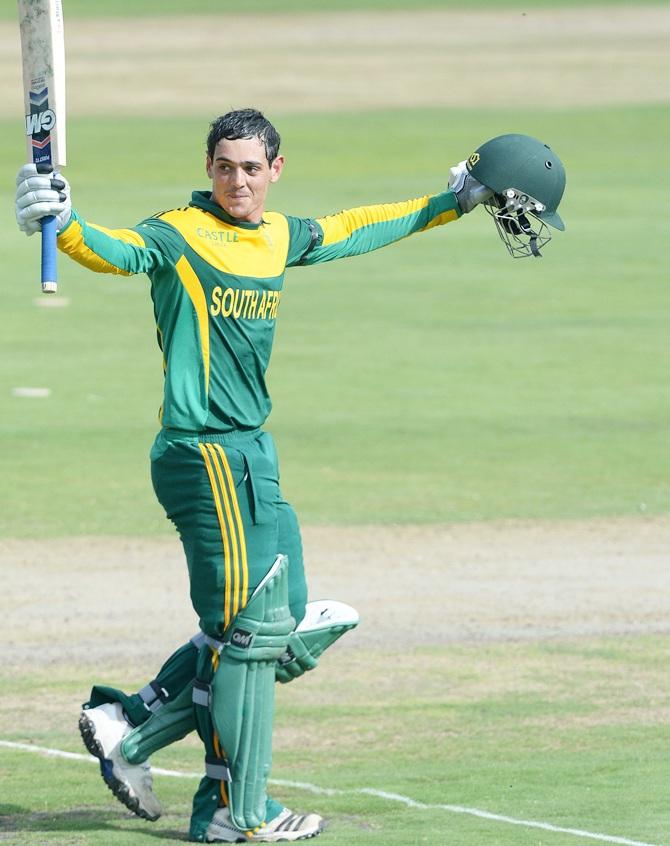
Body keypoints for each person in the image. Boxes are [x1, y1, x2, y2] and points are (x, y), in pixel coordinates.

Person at [15, 108, 498, 843]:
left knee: (289, 624)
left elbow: (357, 227)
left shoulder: (277, 237)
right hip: (204, 454)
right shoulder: (180, 232)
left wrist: (450, 203)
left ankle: (134, 729)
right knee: (249, 637)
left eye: (250, 168)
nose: (236, 180)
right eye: (223, 167)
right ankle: (240, 814)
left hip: (251, 451)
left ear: (274, 170)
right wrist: (66, 220)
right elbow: (115, 251)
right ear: (207, 169)